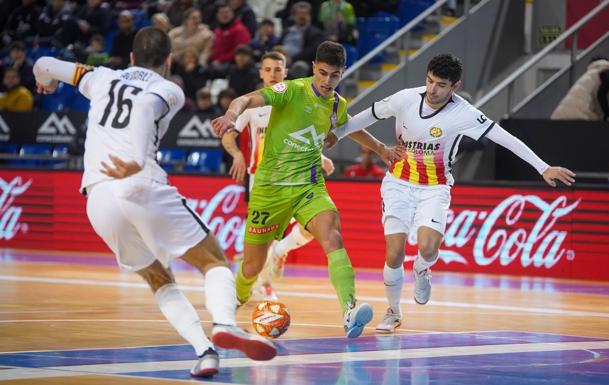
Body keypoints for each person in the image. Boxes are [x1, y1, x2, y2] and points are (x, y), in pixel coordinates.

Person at [32, 26, 276, 377]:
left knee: (159, 280)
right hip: (138, 182)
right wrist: (136, 158)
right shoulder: (168, 88)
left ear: (131, 57)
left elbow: (44, 62)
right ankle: (225, 324)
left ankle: (205, 352)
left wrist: (47, 82)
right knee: (216, 262)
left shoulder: (99, 77)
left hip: (97, 198)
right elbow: (145, 106)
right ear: (168, 60)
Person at [326, 53, 575, 333]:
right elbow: (366, 116)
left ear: (454, 86)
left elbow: (505, 138)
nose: (432, 89)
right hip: (398, 183)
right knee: (394, 253)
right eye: (430, 81)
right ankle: (393, 312)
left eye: (441, 85)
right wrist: (338, 132)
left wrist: (542, 168)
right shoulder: (406, 98)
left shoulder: (465, 114)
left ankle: (422, 269)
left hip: (434, 188)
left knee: (428, 248)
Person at [212, 41, 404, 338]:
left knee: (332, 233)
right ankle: (234, 300)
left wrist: (380, 149)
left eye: (335, 75)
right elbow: (246, 100)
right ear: (314, 67)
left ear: (342, 73)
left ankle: (349, 309)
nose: (328, 81)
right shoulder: (289, 90)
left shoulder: (337, 104)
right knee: (251, 267)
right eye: (323, 73)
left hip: (309, 186)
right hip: (270, 189)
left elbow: (349, 127)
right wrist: (230, 114)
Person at [220, 51, 334, 301]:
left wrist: (321, 157)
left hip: (299, 177)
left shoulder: (296, 100)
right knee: (262, 242)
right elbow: (228, 133)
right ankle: (263, 282)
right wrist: (236, 153)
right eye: (268, 69)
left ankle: (278, 253)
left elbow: (306, 138)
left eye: (278, 69)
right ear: (261, 73)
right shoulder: (252, 105)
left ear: (286, 72)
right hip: (263, 181)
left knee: (310, 230)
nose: (273, 74)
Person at [551, 55, 609, 121]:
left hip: (564, 112)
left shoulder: (595, 71)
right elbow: (601, 94)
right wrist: (608, 115)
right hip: (578, 114)